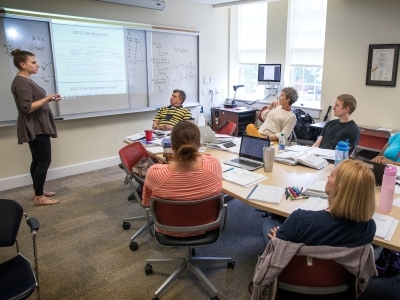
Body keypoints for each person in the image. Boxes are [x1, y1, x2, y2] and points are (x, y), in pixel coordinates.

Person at [262, 159, 376, 247]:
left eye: (331, 176)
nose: (328, 177)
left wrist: (277, 238)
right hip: (342, 276)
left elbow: (279, 244)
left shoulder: (300, 219)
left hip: (299, 269)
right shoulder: (369, 227)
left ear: (339, 189)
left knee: (269, 223)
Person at [142, 121, 222, 237]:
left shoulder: (155, 173)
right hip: (208, 226)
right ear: (199, 145)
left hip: (168, 229)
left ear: (172, 146)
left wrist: (165, 166)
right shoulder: (213, 164)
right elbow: (206, 158)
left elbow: (147, 203)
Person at [11, 49, 62, 206]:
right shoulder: (21, 83)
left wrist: (48, 99)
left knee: (38, 160)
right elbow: (27, 108)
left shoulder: (26, 81)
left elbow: (34, 102)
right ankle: (39, 198)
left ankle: (37, 191)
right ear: (23, 64)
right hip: (36, 126)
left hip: (38, 125)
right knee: (44, 161)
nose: (37, 65)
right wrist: (47, 98)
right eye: (33, 62)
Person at [371, 132, 400, 275]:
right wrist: (379, 159)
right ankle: (379, 237)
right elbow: (381, 154)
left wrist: (393, 164)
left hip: (396, 176)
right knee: (378, 203)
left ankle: (393, 251)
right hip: (386, 176)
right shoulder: (396, 136)